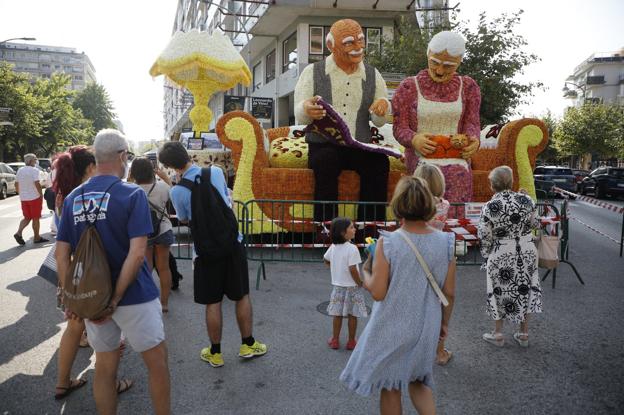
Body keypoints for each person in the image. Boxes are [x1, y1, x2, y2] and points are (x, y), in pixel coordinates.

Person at [56, 130, 170, 415]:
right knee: (157, 365)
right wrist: (116, 298)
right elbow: (137, 252)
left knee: (105, 368)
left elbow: (61, 253)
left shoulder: (73, 198)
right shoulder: (131, 193)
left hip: (92, 299)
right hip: (135, 296)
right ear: (121, 156)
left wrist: (72, 297)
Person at [340, 176, 456, 415]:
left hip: (393, 324)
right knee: (419, 381)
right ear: (428, 204)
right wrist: (443, 324)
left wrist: (365, 272)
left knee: (391, 385)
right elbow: (449, 293)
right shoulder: (446, 242)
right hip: (427, 324)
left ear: (398, 204)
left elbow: (379, 292)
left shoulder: (389, 243)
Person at [158, 141, 267, 368]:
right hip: (232, 243)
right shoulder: (215, 172)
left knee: (213, 302)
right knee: (241, 296)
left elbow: (185, 219)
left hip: (205, 251)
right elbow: (227, 201)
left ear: (170, 166)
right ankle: (248, 344)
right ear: (187, 155)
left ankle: (215, 353)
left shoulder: (177, 191)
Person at [294, 18, 390, 221]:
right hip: (323, 144)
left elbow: (379, 120)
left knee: (379, 162)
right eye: (349, 42)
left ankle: (369, 227)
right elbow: (299, 113)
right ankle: (328, 228)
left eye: (360, 40)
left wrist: (382, 109)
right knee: (326, 161)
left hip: (358, 145)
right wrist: (306, 108)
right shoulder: (312, 72)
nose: (358, 48)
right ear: (331, 45)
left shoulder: (374, 75)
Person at [392, 31, 481, 205]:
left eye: (448, 66)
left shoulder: (468, 87)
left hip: (457, 157)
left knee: (458, 173)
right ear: (428, 54)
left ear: (459, 62)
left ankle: (454, 227)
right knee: (426, 179)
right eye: (435, 62)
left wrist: (473, 140)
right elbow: (399, 127)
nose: (440, 71)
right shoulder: (409, 87)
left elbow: (472, 123)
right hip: (421, 156)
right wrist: (414, 139)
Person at [478, 166, 542, 347]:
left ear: (492, 185)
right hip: (526, 250)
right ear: (511, 182)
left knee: (499, 290)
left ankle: (498, 334)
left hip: (501, 251)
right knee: (526, 288)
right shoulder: (526, 200)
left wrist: (486, 254)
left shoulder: (490, 206)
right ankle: (524, 333)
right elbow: (536, 223)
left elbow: (484, 234)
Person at [414, 163, 453, 366]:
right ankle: (439, 351)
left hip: (413, 257)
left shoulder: (411, 205)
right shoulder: (444, 205)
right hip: (437, 257)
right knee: (438, 304)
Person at [129, 157, 174, 312]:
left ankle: (148, 301)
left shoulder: (131, 189)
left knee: (146, 268)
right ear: (151, 170)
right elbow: (173, 194)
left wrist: (130, 177)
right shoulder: (162, 186)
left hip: (144, 232)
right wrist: (166, 178)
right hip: (163, 229)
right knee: (164, 268)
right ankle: (165, 303)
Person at [324, 217, 367, 350]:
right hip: (352, 287)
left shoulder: (334, 247)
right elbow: (353, 269)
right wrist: (359, 282)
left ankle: (335, 340)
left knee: (337, 315)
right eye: (352, 227)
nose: (354, 229)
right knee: (352, 315)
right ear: (343, 232)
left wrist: (335, 267)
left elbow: (326, 260)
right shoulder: (352, 249)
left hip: (338, 287)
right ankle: (351, 341)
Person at [13, 153, 48, 245]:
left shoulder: (20, 170)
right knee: (36, 218)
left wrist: (20, 193)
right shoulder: (34, 170)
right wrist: (41, 195)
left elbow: (16, 184)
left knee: (27, 217)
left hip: (24, 198)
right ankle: (37, 237)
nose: (36, 161)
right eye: (35, 159)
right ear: (31, 161)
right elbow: (37, 183)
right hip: (34, 197)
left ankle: (19, 232)